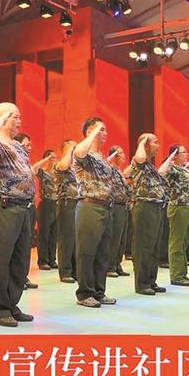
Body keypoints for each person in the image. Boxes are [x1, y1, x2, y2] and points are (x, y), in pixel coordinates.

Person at [0, 103, 35, 327]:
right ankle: (0, 309)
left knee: (20, 261)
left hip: (23, 207)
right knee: (1, 260)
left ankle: (12, 304)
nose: (19, 122)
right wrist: (1, 120)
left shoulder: (17, 145)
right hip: (3, 206)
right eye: (15, 117)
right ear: (2, 118)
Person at [73, 117, 116, 308]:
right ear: (90, 131)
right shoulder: (84, 153)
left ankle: (99, 292)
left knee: (102, 253)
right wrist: (94, 131)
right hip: (89, 206)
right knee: (87, 252)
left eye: (105, 129)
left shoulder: (101, 157)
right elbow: (79, 151)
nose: (104, 133)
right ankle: (84, 293)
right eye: (101, 129)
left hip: (106, 207)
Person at [127, 133, 169, 296]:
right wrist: (142, 141)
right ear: (145, 145)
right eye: (155, 142)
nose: (158, 146)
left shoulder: (150, 166)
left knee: (154, 247)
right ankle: (142, 283)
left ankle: (151, 281)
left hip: (156, 207)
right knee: (144, 247)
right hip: (145, 207)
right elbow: (139, 157)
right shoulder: (138, 161)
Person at [159, 144, 189, 287]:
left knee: (184, 242)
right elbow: (161, 172)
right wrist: (170, 157)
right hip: (178, 206)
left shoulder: (185, 169)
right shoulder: (171, 168)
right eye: (183, 152)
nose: (186, 154)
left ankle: (182, 273)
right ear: (175, 154)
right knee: (177, 241)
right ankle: (176, 275)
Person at [14, 132, 39, 290]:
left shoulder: (25, 161)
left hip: (29, 205)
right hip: (16, 205)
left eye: (30, 144)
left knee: (26, 244)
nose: (29, 147)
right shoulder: (13, 160)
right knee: (15, 244)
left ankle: (23, 276)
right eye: (26, 144)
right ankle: (16, 278)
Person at [54, 140, 79, 283]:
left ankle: (75, 270)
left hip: (78, 204)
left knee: (76, 239)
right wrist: (70, 150)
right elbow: (64, 165)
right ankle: (65, 271)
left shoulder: (75, 167)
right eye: (72, 148)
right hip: (66, 203)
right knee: (66, 238)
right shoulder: (60, 164)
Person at [106, 145, 131, 278]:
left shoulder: (119, 171)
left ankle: (117, 264)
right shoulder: (109, 169)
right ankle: (110, 266)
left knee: (122, 238)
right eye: (120, 153)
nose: (123, 156)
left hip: (123, 206)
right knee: (114, 238)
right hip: (115, 205)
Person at [35, 149, 58, 270]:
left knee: (54, 233)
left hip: (56, 204)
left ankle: (52, 259)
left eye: (55, 157)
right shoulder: (43, 172)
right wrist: (45, 160)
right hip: (46, 204)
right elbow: (34, 169)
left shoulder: (58, 173)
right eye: (51, 158)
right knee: (44, 234)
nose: (54, 160)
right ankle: (43, 261)